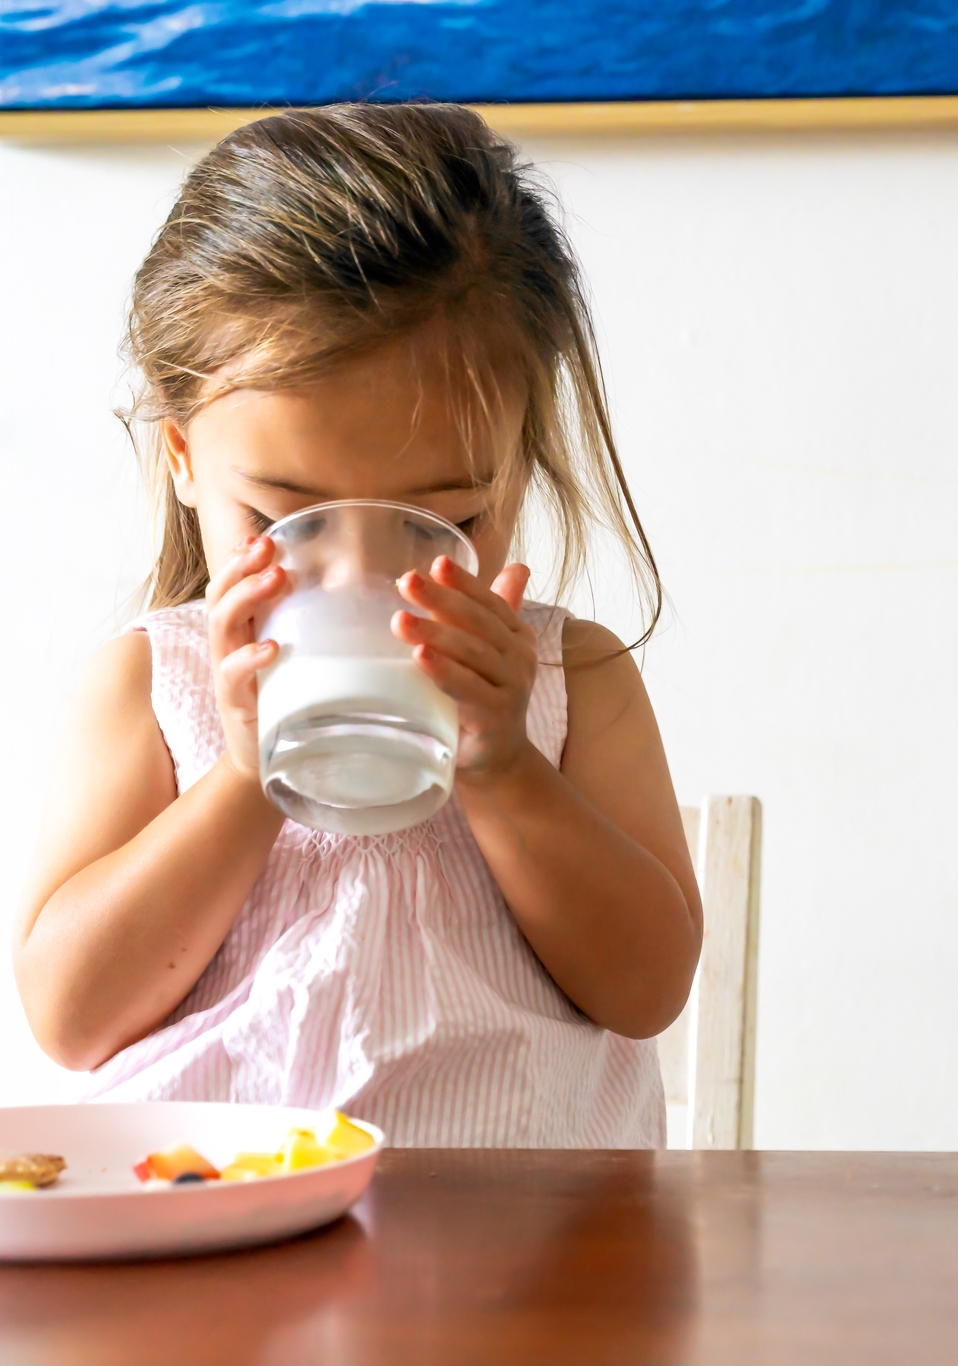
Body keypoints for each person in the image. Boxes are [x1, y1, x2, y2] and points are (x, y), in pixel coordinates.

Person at [13, 104, 702, 1147]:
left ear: (517, 465)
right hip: (211, 1247)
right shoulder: (156, 685)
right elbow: (70, 1013)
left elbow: (647, 988)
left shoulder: (572, 679)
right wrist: (246, 774)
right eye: (286, 519)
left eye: (447, 522)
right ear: (184, 455)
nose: (361, 577)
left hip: (528, 1264)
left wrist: (508, 767)